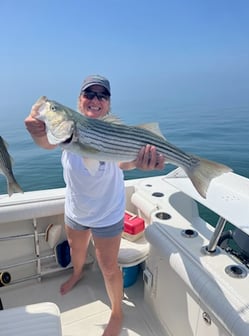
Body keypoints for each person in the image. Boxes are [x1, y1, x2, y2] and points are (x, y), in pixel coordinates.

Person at [24, 74, 165, 336]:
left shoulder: (113, 132)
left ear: (108, 104)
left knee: (108, 266)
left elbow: (124, 163)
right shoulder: (67, 132)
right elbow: (46, 142)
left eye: (102, 95)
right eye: (89, 94)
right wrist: (37, 127)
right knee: (77, 248)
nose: (95, 99)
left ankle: (117, 312)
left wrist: (140, 163)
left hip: (108, 213)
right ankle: (77, 272)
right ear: (79, 101)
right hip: (76, 210)